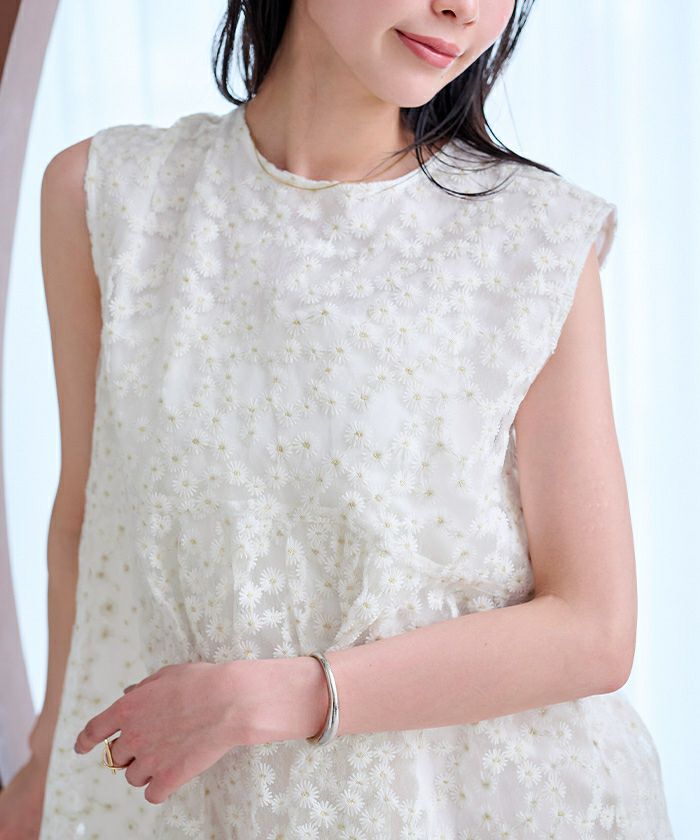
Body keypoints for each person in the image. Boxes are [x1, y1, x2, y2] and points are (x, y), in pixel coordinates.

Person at [0, 0, 675, 837]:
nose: (464, 9)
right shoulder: (108, 196)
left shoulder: (532, 240)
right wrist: (51, 763)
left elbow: (594, 631)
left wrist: (274, 697)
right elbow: (88, 521)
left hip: (480, 808)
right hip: (200, 804)